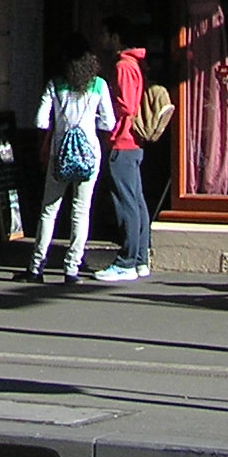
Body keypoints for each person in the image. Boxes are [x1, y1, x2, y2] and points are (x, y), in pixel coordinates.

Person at [22, 40, 116, 285]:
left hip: (59, 156)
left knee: (49, 210)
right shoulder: (99, 85)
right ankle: (71, 268)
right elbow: (109, 123)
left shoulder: (55, 85)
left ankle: (36, 266)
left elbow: (40, 121)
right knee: (81, 211)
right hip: (88, 156)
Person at [90, 16, 151, 282]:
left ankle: (127, 261)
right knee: (136, 200)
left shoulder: (123, 66)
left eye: (105, 34)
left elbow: (126, 105)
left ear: (116, 38)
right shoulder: (135, 64)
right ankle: (139, 259)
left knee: (126, 203)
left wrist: (107, 117)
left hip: (123, 142)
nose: (102, 40)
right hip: (132, 143)